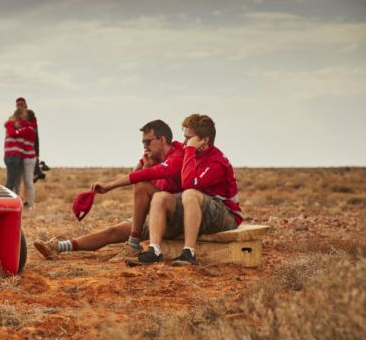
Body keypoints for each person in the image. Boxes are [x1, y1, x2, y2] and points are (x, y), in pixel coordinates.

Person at [34, 119, 185, 259]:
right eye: (142, 143)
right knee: (112, 231)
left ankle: (133, 244)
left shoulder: (176, 157)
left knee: (142, 185)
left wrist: (109, 186)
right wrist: (144, 164)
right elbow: (135, 174)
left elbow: (140, 180)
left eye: (147, 142)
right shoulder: (154, 159)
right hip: (156, 215)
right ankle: (58, 247)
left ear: (162, 140)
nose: (144, 146)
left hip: (174, 214)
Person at [129, 114, 242, 266]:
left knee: (189, 193)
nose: (184, 142)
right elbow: (141, 174)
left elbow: (188, 184)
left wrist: (189, 150)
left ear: (204, 140)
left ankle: (189, 252)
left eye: (189, 138)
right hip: (197, 211)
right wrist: (143, 161)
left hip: (226, 216)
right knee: (160, 197)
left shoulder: (217, 161)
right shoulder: (189, 153)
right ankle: (154, 251)